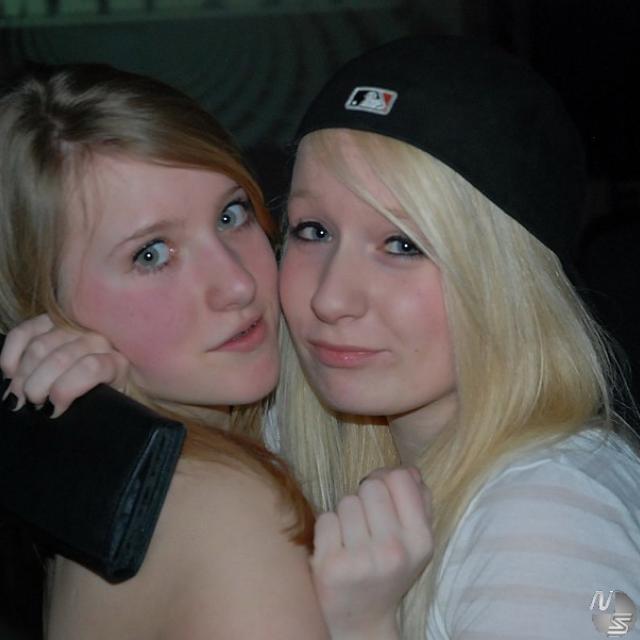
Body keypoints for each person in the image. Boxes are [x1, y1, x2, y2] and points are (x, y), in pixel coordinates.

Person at [0, 62, 431, 640]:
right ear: (47, 304)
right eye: (152, 255)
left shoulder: (102, 486)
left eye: (231, 215)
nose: (238, 283)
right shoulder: (231, 510)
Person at [275, 36, 640, 638]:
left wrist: (363, 626)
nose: (330, 298)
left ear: (510, 279)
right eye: (312, 230)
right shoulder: (334, 447)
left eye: (402, 245)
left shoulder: (547, 515)